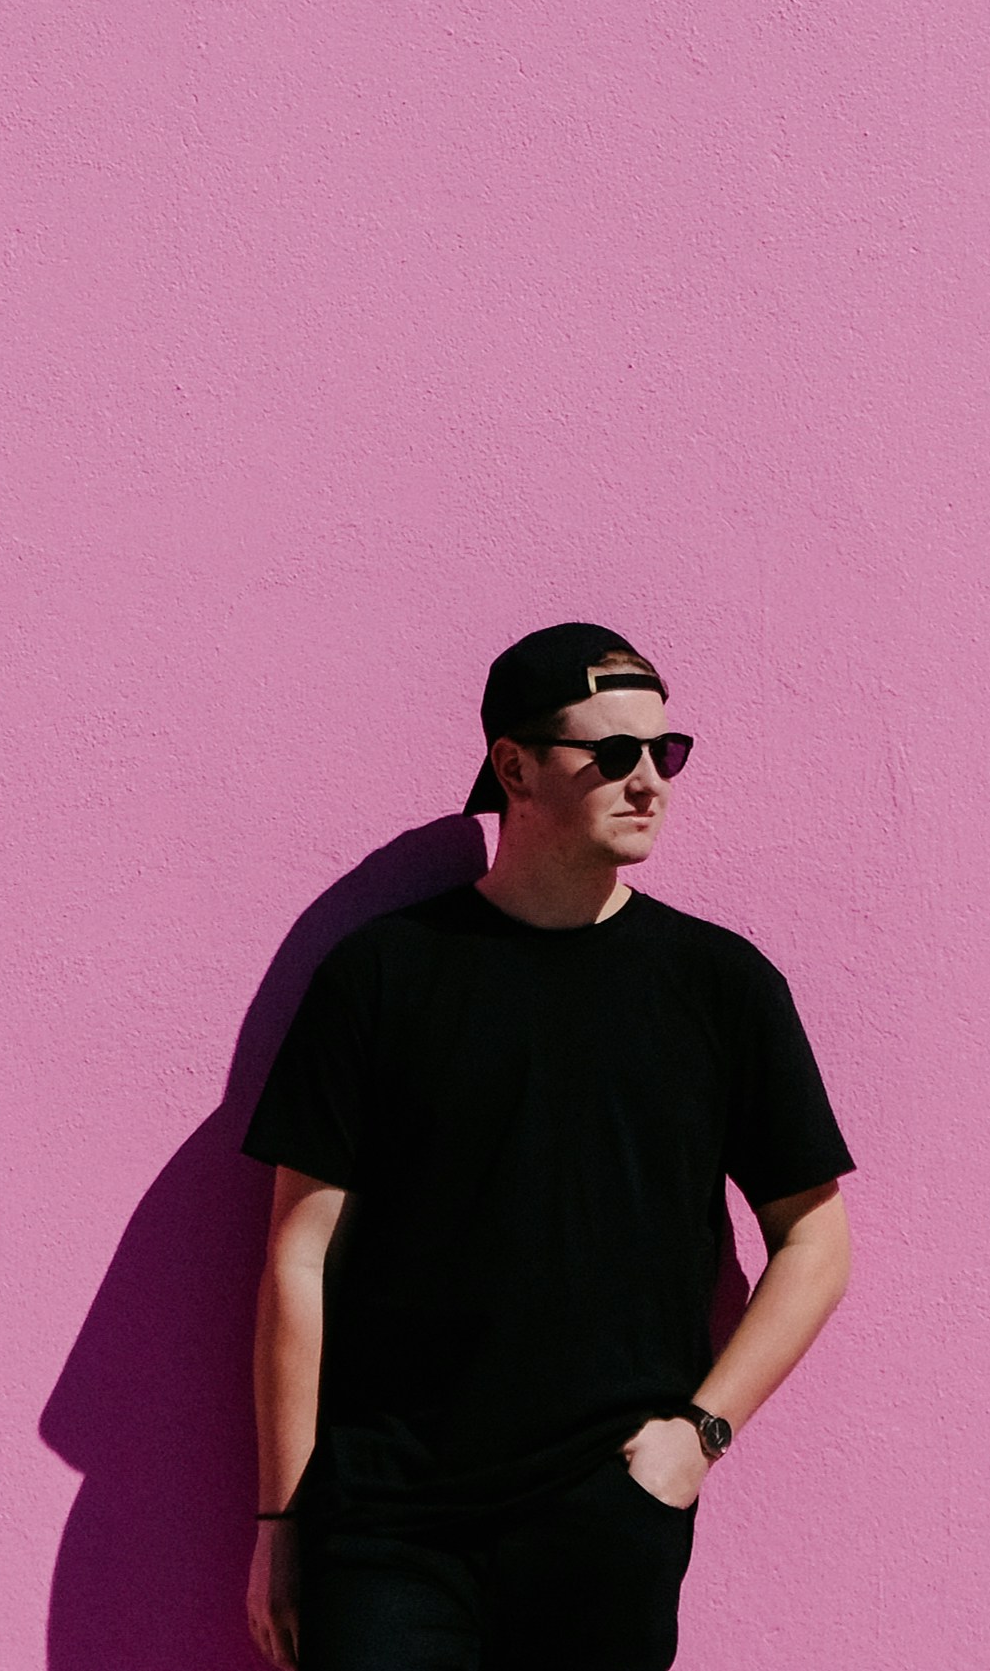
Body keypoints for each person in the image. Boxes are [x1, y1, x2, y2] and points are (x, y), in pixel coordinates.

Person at [242, 624, 856, 1670]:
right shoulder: (384, 976)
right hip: (391, 1524)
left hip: (603, 1515)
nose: (648, 782)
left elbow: (815, 1240)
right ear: (512, 765)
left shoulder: (718, 988)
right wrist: (282, 1523)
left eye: (665, 753)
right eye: (611, 754)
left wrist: (696, 1439)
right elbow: (298, 1259)